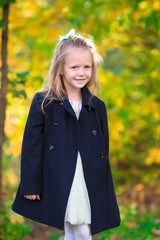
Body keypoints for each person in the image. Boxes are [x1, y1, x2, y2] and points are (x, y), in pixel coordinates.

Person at [11, 29, 121, 239]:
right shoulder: (44, 102)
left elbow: (103, 150)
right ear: (61, 68)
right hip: (60, 176)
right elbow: (31, 147)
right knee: (79, 228)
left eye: (87, 67)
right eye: (74, 67)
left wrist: (104, 186)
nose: (82, 73)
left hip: (89, 178)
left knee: (77, 228)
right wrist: (30, 183)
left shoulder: (97, 106)